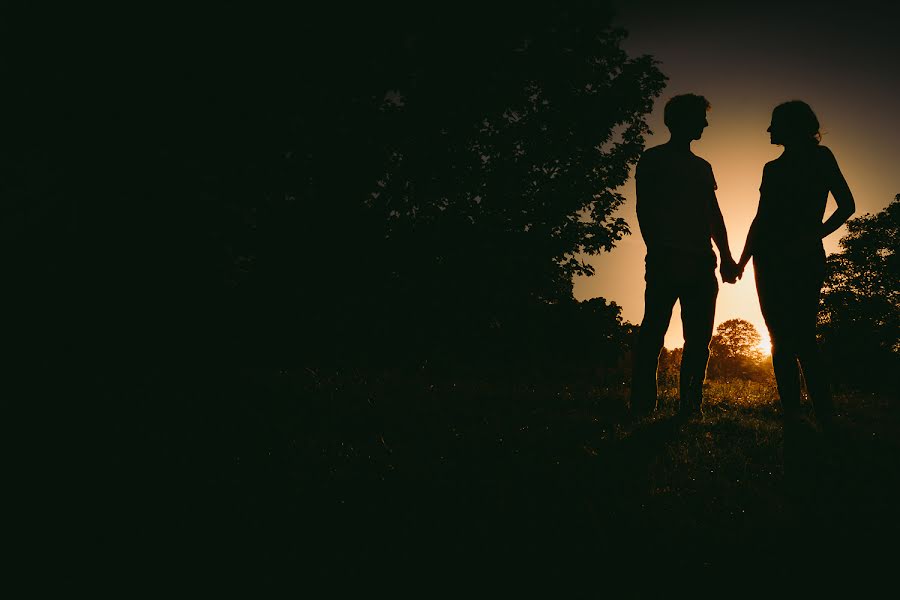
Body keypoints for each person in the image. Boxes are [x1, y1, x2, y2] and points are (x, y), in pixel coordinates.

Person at [735, 100, 855, 431]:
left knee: (803, 336)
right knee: (779, 338)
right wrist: (743, 261)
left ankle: (825, 414)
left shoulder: (821, 156)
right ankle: (793, 414)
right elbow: (761, 219)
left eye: (775, 123)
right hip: (769, 260)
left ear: (793, 126)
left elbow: (847, 205)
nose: (769, 130)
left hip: (802, 259)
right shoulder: (770, 169)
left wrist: (812, 236)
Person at [630, 94, 739, 419]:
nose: (705, 124)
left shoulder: (703, 167)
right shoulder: (652, 160)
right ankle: (642, 404)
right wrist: (658, 249)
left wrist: (727, 257)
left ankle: (690, 406)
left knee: (697, 339)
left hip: (701, 263)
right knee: (653, 333)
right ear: (682, 121)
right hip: (667, 259)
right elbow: (644, 209)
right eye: (700, 118)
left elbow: (713, 215)